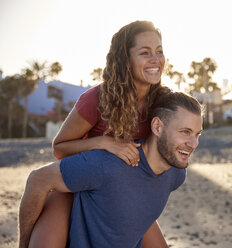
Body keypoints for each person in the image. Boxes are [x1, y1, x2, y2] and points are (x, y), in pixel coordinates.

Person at [26, 20, 172, 247]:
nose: (155, 59)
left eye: (159, 51)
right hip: (76, 188)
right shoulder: (97, 99)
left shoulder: (163, 103)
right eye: (145, 53)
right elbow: (59, 148)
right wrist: (103, 142)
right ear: (125, 59)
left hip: (124, 194)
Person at [19, 91, 203, 248]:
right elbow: (38, 178)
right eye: (185, 132)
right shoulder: (108, 164)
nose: (193, 144)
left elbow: (134, 209)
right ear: (157, 127)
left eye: (197, 134)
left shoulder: (176, 174)